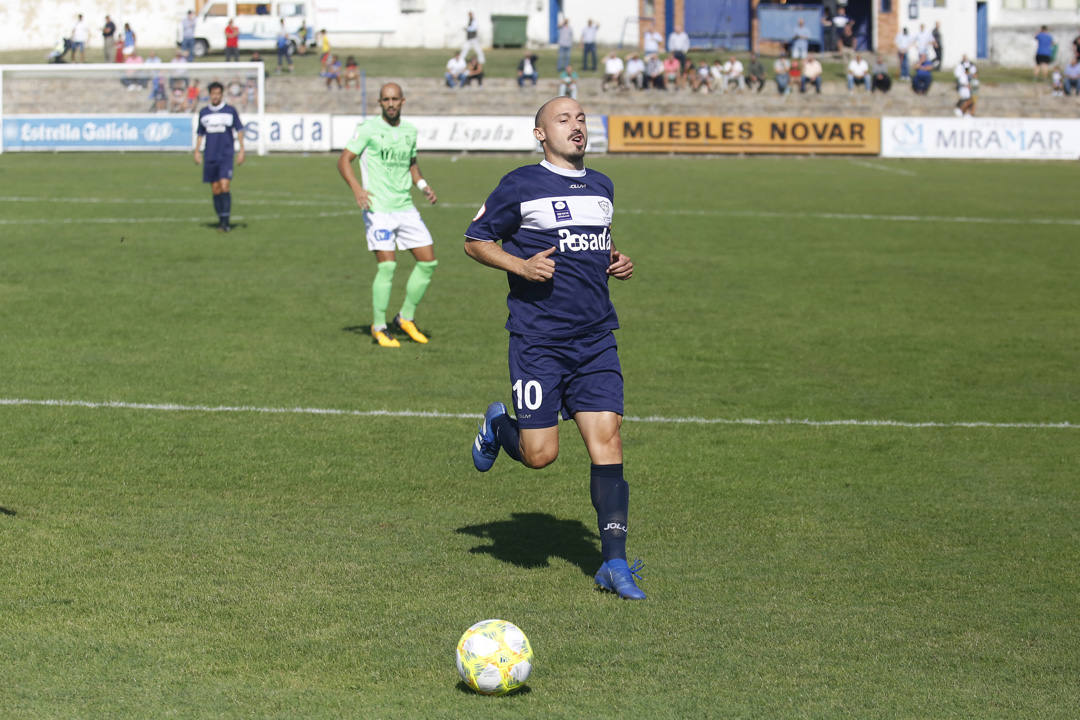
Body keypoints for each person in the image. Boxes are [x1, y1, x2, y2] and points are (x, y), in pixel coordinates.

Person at [463, 96, 645, 600]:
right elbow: (475, 240)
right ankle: (500, 424)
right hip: (538, 341)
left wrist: (615, 260)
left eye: (581, 118)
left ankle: (614, 563)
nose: (576, 126)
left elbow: (592, 246)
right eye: (563, 120)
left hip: (594, 339)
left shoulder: (603, 186)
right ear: (541, 134)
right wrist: (519, 267)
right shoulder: (520, 184)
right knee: (540, 455)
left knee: (607, 440)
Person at [337, 83, 439, 349]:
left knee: (428, 262)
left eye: (395, 99)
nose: (391, 103)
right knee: (388, 266)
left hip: (404, 207)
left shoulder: (409, 131)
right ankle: (379, 326)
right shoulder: (368, 129)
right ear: (380, 103)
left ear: (403, 101)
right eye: (386, 99)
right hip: (378, 210)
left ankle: (405, 318)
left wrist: (423, 186)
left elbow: (412, 164)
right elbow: (343, 160)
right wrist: (358, 188)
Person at [194, 81, 244, 232]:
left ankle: (225, 223)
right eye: (213, 93)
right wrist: (197, 151)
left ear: (222, 94)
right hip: (210, 155)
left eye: (218, 93)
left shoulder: (230, 111)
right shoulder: (204, 113)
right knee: (215, 189)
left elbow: (239, 130)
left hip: (226, 155)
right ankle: (221, 220)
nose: (215, 96)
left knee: (225, 186)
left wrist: (242, 150)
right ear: (209, 95)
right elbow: (200, 133)